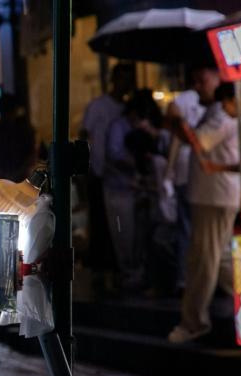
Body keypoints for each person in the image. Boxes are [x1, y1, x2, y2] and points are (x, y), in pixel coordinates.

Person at [168, 83, 241, 344]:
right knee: (219, 258)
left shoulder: (222, 115)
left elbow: (197, 140)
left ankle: (194, 321)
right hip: (213, 196)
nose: (197, 86)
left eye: (202, 80)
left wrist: (176, 120)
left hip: (214, 197)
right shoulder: (217, 113)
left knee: (204, 259)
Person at [102, 89, 168, 292]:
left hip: (140, 190)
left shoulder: (148, 128)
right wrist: (138, 162)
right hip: (120, 189)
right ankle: (128, 273)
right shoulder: (118, 126)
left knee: (141, 235)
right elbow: (114, 155)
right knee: (123, 234)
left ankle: (138, 274)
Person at [80, 63, 136, 294]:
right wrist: (87, 167)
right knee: (101, 223)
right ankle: (101, 270)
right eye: (121, 79)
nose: (124, 84)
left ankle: (115, 270)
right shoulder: (99, 106)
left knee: (119, 226)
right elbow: (85, 135)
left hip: (120, 177)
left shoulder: (126, 109)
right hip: (99, 172)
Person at [165, 66, 220, 292]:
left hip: (205, 177)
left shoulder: (217, 106)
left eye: (202, 81)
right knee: (192, 229)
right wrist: (169, 173)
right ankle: (188, 278)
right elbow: (178, 134)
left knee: (199, 231)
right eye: (196, 81)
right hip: (193, 175)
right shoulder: (190, 100)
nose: (198, 86)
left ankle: (194, 279)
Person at [0, 93, 38, 185]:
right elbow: (31, 155)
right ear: (16, 110)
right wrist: (15, 173)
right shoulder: (26, 132)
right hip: (20, 182)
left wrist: (1, 173)